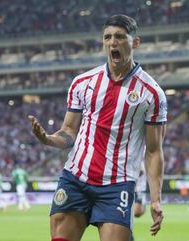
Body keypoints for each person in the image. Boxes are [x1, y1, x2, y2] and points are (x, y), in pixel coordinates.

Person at [29, 14, 167, 241]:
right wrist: (47, 139)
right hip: (76, 177)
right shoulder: (83, 83)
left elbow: (153, 151)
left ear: (135, 43)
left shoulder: (151, 94)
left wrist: (155, 200)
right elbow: (69, 132)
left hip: (117, 184)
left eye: (120, 37)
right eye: (108, 37)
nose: (113, 42)